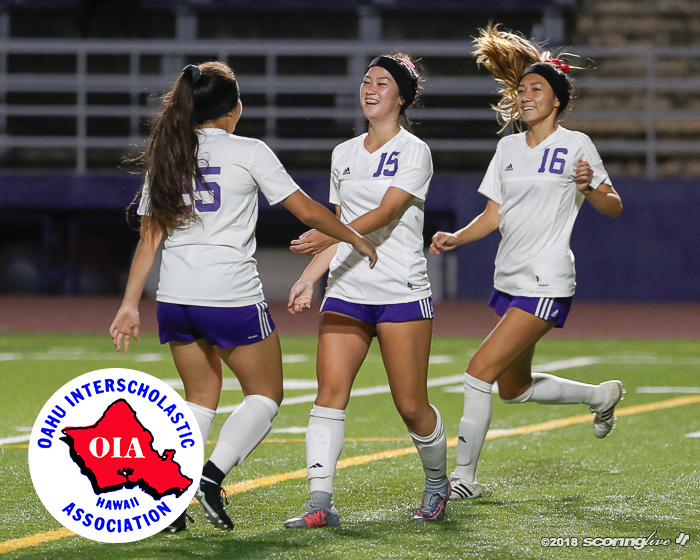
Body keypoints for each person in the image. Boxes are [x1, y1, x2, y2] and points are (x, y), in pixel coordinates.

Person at [109, 61, 377, 532]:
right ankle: (210, 480)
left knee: (199, 397)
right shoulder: (248, 150)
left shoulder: (168, 153)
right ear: (233, 109)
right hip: (229, 293)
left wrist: (130, 304)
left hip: (174, 295)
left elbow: (149, 239)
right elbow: (308, 210)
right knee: (265, 395)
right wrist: (354, 237)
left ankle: (169, 497)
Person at [430, 24, 625, 501]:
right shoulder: (508, 149)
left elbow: (613, 204)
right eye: (521, 90)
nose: (525, 96)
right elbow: (494, 215)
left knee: (478, 371)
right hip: (510, 278)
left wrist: (590, 188)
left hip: (547, 279)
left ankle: (463, 479)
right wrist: (457, 236)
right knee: (513, 389)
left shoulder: (576, 145)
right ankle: (599, 396)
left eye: (536, 89)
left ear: (556, 100)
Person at [283, 53, 449, 528]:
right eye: (365, 81)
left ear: (401, 95)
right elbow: (337, 230)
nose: (369, 88)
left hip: (400, 290)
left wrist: (329, 230)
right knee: (329, 393)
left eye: (381, 82)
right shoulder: (344, 153)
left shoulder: (415, 150)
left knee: (411, 405)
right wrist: (309, 277)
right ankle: (319, 503)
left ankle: (437, 483)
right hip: (348, 289)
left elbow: (388, 212)